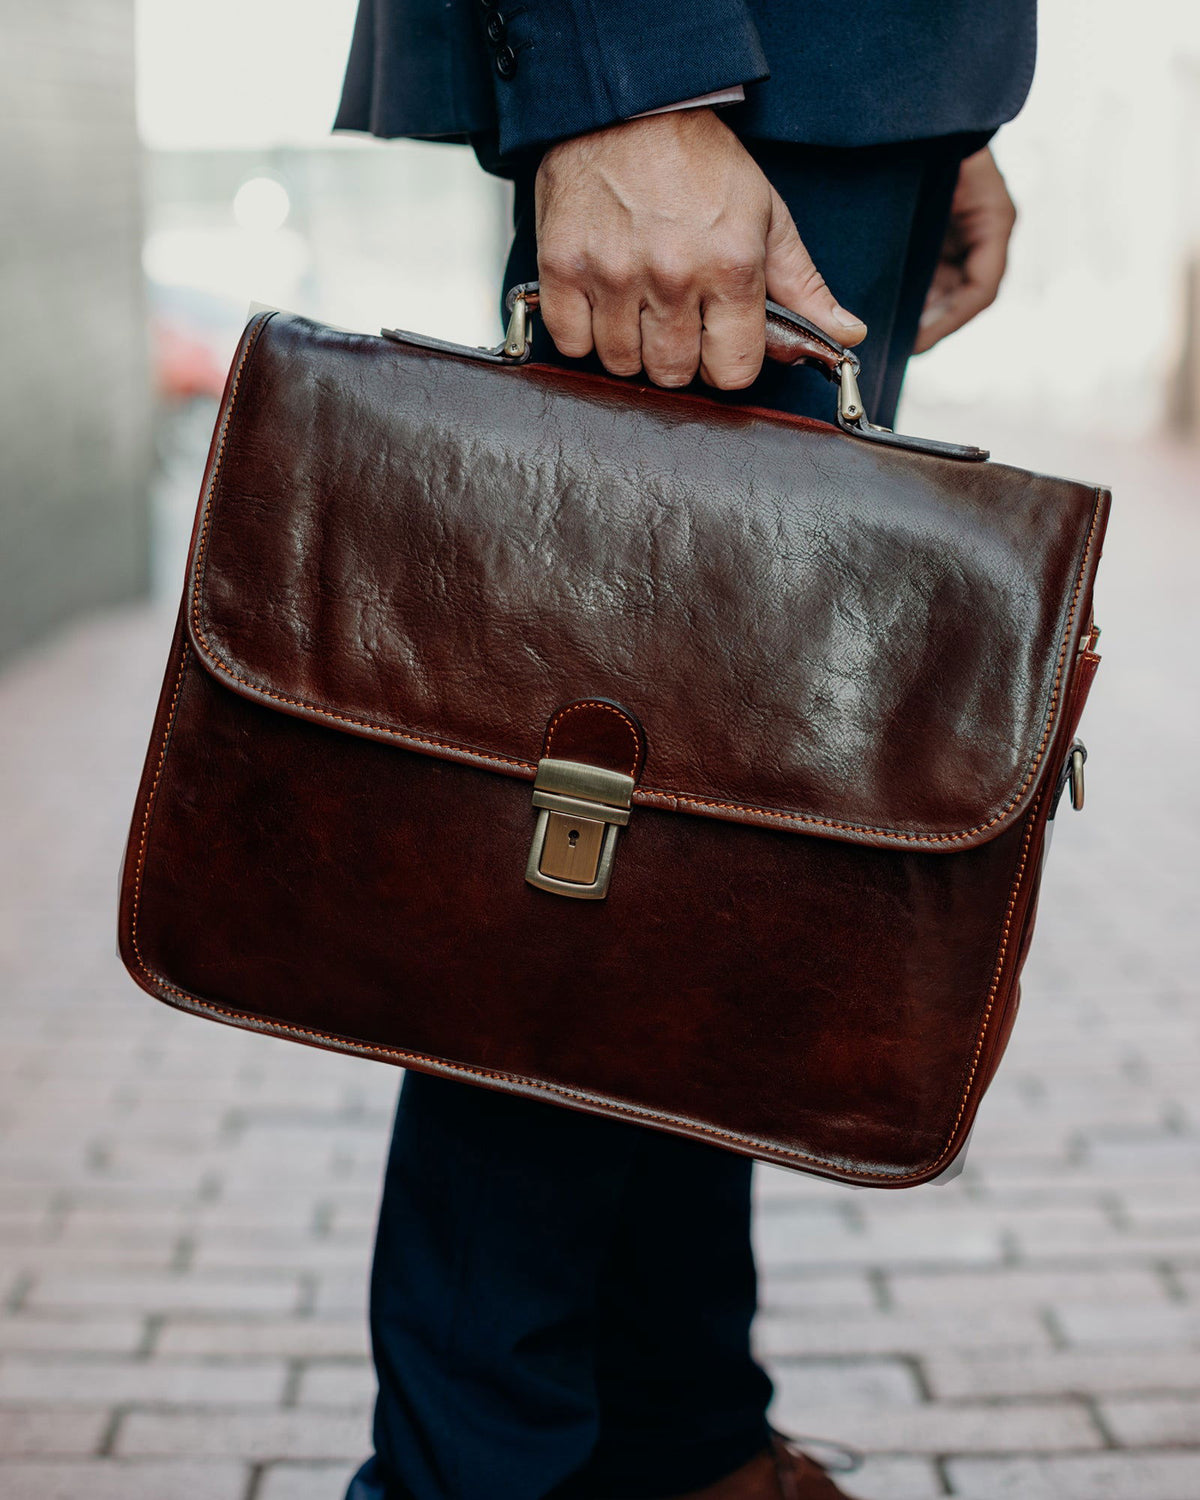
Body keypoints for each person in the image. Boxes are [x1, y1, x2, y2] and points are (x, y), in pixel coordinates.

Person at [335, 5, 1033, 1497]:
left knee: (707, 827)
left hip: (838, 79)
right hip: (698, 72)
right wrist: (617, 82)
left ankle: (681, 1438)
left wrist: (939, 88)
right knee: (589, 834)